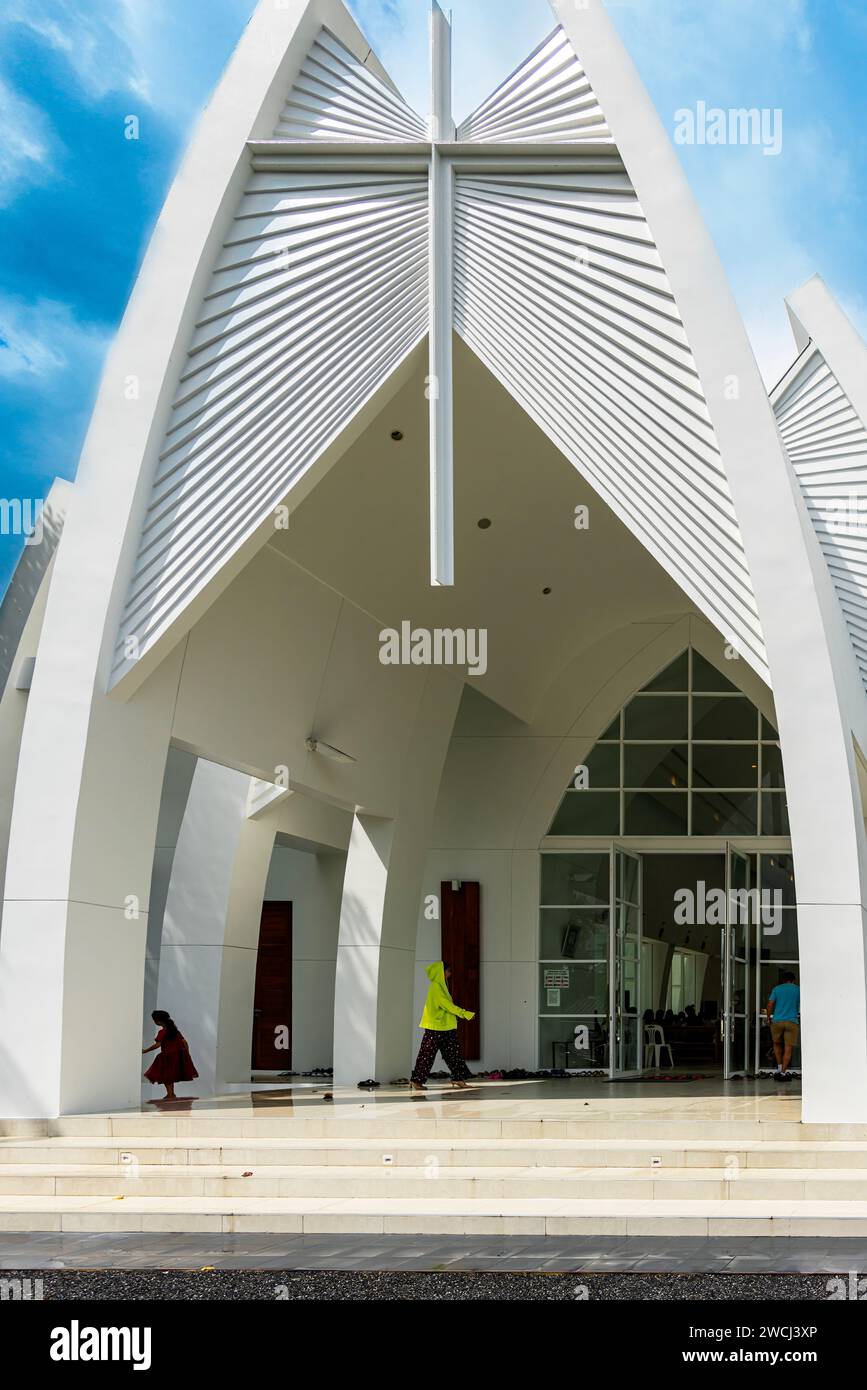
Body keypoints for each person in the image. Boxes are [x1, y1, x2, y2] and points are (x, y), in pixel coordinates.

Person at [410, 962, 475, 1091]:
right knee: (427, 1055)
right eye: (448, 971)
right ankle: (416, 1081)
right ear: (441, 972)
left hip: (445, 1027)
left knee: (454, 1054)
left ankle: (458, 1078)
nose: (449, 974)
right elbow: (446, 1005)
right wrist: (464, 1014)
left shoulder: (441, 986)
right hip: (435, 1028)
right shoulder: (436, 987)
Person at [142, 1010, 198, 1101]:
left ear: (158, 1021)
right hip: (178, 1056)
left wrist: (145, 1051)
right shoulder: (175, 1031)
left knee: (166, 1076)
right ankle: (171, 1094)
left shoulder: (162, 1032)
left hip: (167, 1057)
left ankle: (170, 1094)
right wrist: (186, 1054)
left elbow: (157, 1045)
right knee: (170, 1075)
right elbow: (184, 1042)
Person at [767, 972, 800, 1082]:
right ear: (793, 980)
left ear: (783, 980)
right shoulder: (798, 989)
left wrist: (768, 1017)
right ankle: (783, 1072)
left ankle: (779, 1067)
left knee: (776, 1044)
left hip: (777, 1021)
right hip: (792, 1021)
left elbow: (770, 1004)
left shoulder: (777, 989)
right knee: (788, 1048)